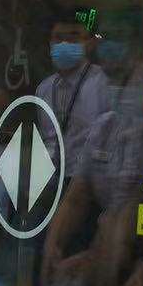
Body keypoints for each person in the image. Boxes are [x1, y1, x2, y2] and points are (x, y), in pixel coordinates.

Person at [36, 14, 110, 190]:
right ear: (50, 43)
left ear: (90, 43)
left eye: (73, 38)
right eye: (58, 38)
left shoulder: (104, 83)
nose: (64, 44)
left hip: (91, 184)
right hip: (51, 182)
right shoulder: (44, 89)